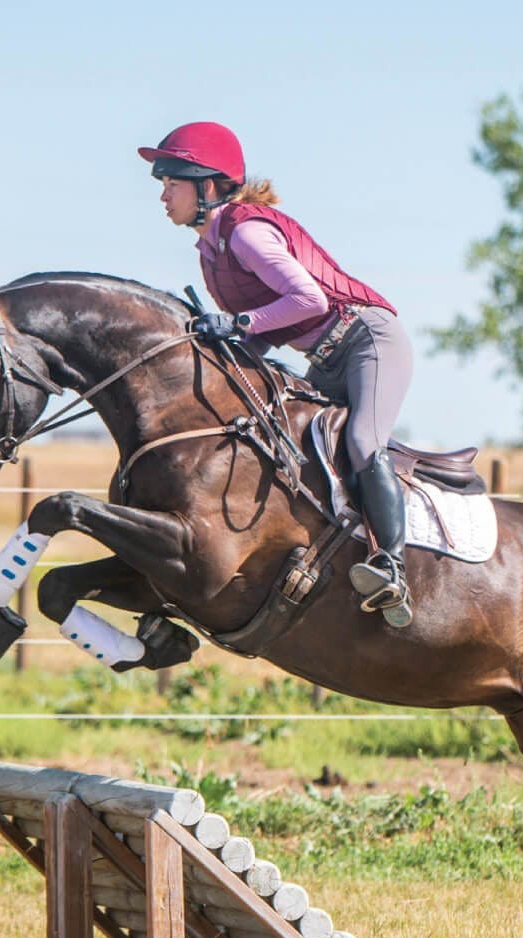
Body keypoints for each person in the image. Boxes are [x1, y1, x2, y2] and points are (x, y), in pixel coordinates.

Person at [138, 122, 414, 628]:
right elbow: (268, 330)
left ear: (207, 185)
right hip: (325, 359)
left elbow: (309, 300)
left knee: (361, 441)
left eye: (171, 183)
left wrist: (237, 324)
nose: (162, 195)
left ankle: (391, 567)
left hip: (367, 340)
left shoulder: (245, 233)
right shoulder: (211, 252)